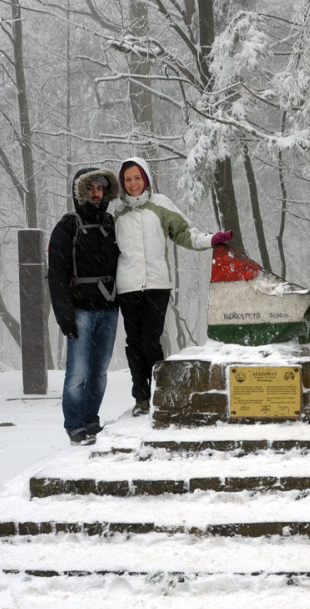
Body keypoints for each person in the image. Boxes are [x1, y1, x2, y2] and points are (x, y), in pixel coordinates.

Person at [113, 157, 233, 416]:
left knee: (150, 340)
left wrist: (212, 239)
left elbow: (185, 233)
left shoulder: (160, 205)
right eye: (128, 179)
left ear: (146, 178)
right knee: (133, 342)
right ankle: (141, 398)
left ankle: (159, 390)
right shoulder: (117, 213)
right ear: (123, 183)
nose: (133, 184)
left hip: (157, 284)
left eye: (137, 178)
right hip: (127, 286)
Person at [47, 167, 121, 445]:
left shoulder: (111, 223)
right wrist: (64, 313)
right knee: (77, 373)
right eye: (90, 188)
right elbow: (56, 274)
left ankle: (92, 420)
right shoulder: (68, 226)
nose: (95, 194)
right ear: (80, 192)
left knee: (99, 373)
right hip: (80, 311)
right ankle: (75, 426)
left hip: (109, 310)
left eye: (100, 189)